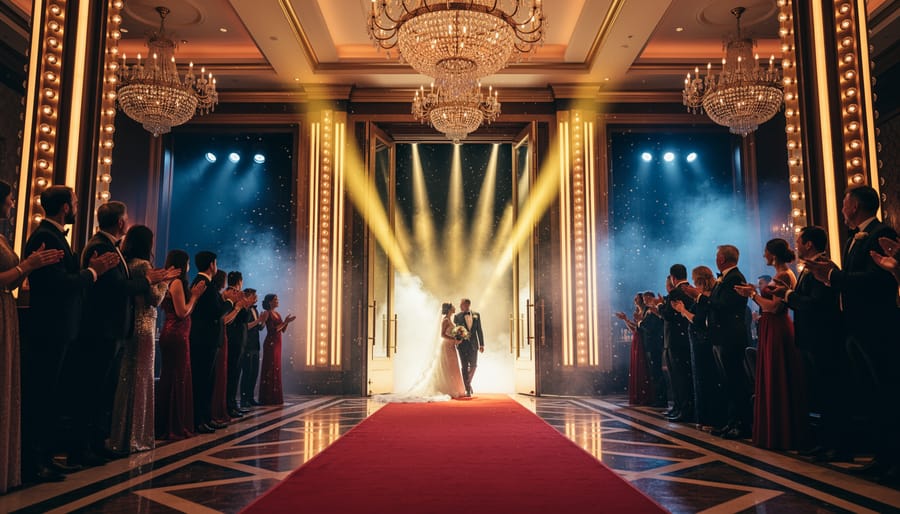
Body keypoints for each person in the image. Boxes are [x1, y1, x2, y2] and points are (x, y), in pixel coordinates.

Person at [21, 186, 118, 481]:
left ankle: (45, 457)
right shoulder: (45, 237)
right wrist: (92, 272)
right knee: (42, 395)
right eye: (75, 202)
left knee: (51, 396)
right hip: (50, 328)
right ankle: (35, 461)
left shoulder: (54, 236)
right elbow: (58, 285)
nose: (76, 206)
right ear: (65, 207)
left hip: (61, 328)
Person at [804, 185, 900, 481]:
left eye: (845, 203)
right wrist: (832, 271)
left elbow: (879, 282)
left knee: (887, 395)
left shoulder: (881, 234)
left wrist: (832, 276)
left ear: (855, 205)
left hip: (878, 327)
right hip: (856, 327)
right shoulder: (855, 238)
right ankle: (881, 457)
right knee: (870, 396)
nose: (842, 209)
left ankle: (893, 461)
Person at [73, 202, 175, 463]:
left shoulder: (112, 249)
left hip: (115, 327)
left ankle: (97, 442)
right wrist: (153, 281)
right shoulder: (101, 246)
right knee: (92, 390)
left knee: (105, 389)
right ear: (120, 222)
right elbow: (116, 288)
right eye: (125, 218)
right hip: (103, 328)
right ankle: (83, 448)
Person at [0, 180, 63, 492]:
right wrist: (28, 265)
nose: (13, 204)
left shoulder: (2, 237)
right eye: (10, 199)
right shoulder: (42, 235)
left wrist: (26, 267)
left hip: (7, 313)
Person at [770, 226, 848, 461]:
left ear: (810, 244)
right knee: (821, 393)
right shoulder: (807, 268)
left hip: (823, 337)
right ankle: (825, 442)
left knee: (831, 394)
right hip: (811, 337)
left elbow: (815, 304)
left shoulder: (823, 267)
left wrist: (787, 296)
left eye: (799, 241)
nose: (796, 245)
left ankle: (837, 445)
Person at [735, 239, 807, 450]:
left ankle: (781, 432)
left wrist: (753, 295)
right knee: (772, 375)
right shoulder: (780, 274)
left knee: (777, 375)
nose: (763, 256)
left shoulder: (784, 275)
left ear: (773, 255)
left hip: (776, 326)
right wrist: (754, 290)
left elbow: (774, 307)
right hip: (771, 327)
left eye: (765, 252)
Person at [108, 225, 168, 453]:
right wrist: (165, 282)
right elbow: (155, 298)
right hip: (145, 326)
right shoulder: (143, 266)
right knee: (141, 380)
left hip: (130, 326)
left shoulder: (127, 263)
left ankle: (120, 435)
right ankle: (137, 436)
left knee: (126, 379)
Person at [156, 250, 206, 440]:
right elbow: (182, 312)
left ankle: (168, 423)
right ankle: (172, 425)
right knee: (177, 378)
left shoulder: (173, 282)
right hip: (176, 334)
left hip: (176, 334)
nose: (189, 267)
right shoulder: (176, 283)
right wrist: (194, 296)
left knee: (174, 377)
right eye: (187, 263)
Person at [374, 302, 467, 402]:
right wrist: (453, 339)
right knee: (447, 366)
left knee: (452, 366)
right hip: (446, 346)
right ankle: (447, 389)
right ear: (449, 309)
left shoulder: (450, 320)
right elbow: (442, 335)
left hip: (451, 346)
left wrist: (457, 338)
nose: (454, 307)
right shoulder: (445, 320)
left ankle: (454, 388)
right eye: (452, 306)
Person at [189, 251, 240, 434]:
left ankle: (206, 418)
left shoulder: (207, 284)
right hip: (204, 340)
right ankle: (199, 420)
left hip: (208, 340)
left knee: (208, 381)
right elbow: (214, 312)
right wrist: (229, 302)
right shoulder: (204, 284)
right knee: (202, 382)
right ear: (212, 264)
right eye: (216, 262)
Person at [704, 244, 751, 439]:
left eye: (717, 256)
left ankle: (741, 423)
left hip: (730, 336)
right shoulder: (725, 278)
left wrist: (703, 297)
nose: (715, 259)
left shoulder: (735, 278)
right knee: (727, 382)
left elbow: (726, 305)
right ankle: (731, 421)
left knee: (735, 381)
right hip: (721, 336)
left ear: (722, 259)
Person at [673, 266, 727, 429]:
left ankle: (710, 418)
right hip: (699, 342)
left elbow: (698, 321)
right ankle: (705, 418)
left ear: (699, 280)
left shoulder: (705, 297)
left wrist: (683, 311)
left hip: (703, 343)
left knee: (706, 380)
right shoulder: (706, 296)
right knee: (702, 380)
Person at [258, 293, 295, 405]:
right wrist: (285, 322)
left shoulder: (277, 314)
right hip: (271, 343)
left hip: (278, 343)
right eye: (275, 299)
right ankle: (268, 397)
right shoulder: (267, 313)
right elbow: (272, 330)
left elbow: (282, 330)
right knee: (270, 367)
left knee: (276, 367)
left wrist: (286, 323)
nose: (278, 301)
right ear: (270, 302)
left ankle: (275, 396)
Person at [615, 293, 652, 405]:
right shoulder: (638, 313)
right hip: (636, 339)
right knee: (637, 366)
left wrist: (636, 321)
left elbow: (642, 327)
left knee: (642, 367)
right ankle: (639, 394)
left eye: (636, 298)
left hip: (642, 340)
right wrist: (625, 319)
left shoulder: (647, 312)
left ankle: (645, 395)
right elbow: (635, 329)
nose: (634, 300)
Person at [453, 298, 484, 397]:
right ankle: (467, 389)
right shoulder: (457, 316)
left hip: (474, 344)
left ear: (467, 305)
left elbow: (479, 330)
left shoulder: (476, 315)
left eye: (461, 304)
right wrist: (458, 340)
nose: (459, 306)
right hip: (462, 345)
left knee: (474, 365)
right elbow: (456, 331)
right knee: (464, 367)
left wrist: (482, 344)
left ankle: (467, 383)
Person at [240, 288, 264, 407]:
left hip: (256, 345)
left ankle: (250, 397)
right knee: (247, 373)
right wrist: (258, 321)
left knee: (254, 373)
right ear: (247, 297)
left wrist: (262, 321)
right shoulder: (244, 310)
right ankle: (244, 400)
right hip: (247, 346)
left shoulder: (255, 310)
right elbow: (246, 326)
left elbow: (259, 327)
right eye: (253, 296)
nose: (255, 298)